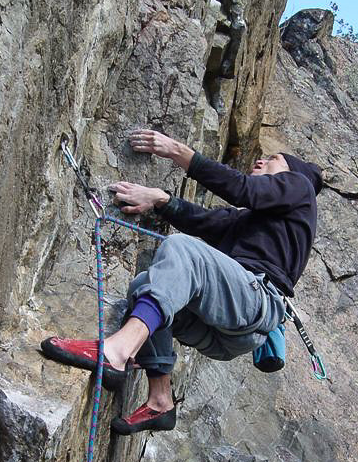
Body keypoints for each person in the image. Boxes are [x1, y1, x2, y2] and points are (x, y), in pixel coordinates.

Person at [41, 130, 322, 435]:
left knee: (182, 248)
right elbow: (204, 220)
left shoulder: (300, 186)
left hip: (257, 301)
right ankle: (161, 399)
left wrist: (176, 150)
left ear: (290, 173)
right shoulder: (252, 219)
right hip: (230, 333)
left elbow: (242, 189)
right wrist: (160, 199)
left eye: (273, 159)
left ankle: (116, 352)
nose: (261, 161)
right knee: (144, 285)